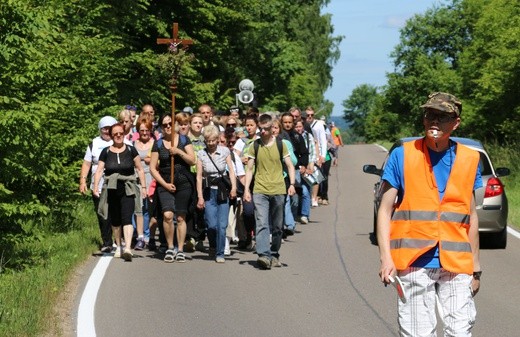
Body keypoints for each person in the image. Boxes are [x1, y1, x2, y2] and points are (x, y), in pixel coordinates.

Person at [377, 92, 482, 336]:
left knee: (460, 331)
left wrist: (476, 269)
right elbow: (384, 210)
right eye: (429, 114)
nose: (434, 121)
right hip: (414, 262)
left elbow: (470, 216)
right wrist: (386, 258)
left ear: (455, 122)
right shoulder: (402, 154)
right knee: (417, 333)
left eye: (442, 116)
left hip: (457, 265)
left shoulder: (470, 159)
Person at [243, 114, 296, 270]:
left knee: (278, 226)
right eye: (262, 129)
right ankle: (264, 255)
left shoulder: (281, 145)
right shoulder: (255, 146)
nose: (264, 132)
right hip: (260, 189)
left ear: (273, 128)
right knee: (261, 223)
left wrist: (291, 184)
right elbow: (250, 169)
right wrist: (247, 189)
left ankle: (274, 253)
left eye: (267, 129)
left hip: (279, 189)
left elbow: (290, 166)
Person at [93, 123, 147, 262]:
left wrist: (143, 187)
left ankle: (128, 248)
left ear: (124, 134)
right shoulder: (106, 151)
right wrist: (95, 187)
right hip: (111, 188)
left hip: (127, 187)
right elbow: (99, 170)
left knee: (127, 217)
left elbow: (140, 169)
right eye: (115, 134)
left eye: (120, 133)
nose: (118, 136)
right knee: (115, 220)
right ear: (111, 136)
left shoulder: (130, 150)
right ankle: (118, 246)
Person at [149, 114, 196, 263]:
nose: (168, 127)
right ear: (161, 127)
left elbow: (192, 160)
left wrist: (178, 152)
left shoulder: (184, 140)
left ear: (175, 124)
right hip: (165, 183)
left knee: (181, 217)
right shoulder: (158, 144)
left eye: (170, 124)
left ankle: (180, 249)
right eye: (165, 125)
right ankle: (170, 247)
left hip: (183, 183)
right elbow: (152, 168)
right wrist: (165, 184)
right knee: (168, 215)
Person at [196, 125, 237, 263]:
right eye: (208, 141)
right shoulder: (201, 154)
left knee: (222, 224)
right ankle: (213, 245)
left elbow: (231, 171)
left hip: (222, 191)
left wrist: (233, 188)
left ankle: (220, 253)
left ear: (217, 139)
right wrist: (200, 196)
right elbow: (199, 176)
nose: (211, 143)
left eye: (213, 140)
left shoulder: (225, 151)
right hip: (208, 191)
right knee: (211, 224)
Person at [79, 116, 118, 253]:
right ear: (100, 129)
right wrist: (83, 180)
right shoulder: (93, 144)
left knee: (116, 212)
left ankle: (119, 240)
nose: (107, 131)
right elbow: (87, 163)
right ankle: (107, 242)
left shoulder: (120, 141)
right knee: (102, 214)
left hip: (117, 183)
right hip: (98, 184)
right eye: (104, 129)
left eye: (109, 128)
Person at [132, 116, 155, 250]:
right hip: (137, 178)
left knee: (149, 209)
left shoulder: (154, 144)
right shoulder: (134, 144)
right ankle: (139, 235)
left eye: (147, 130)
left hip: (151, 177)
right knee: (138, 208)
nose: (145, 133)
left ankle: (148, 235)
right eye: (142, 130)